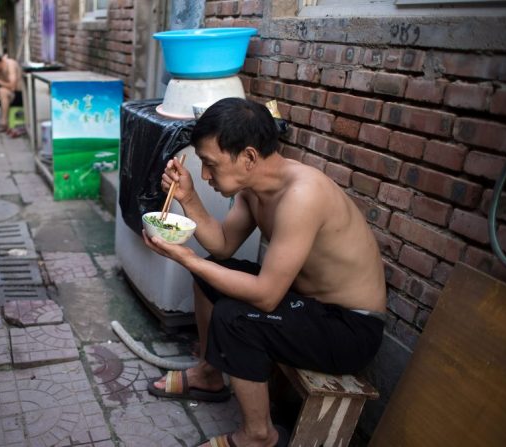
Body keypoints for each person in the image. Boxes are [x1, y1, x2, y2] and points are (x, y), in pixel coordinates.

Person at [142, 98, 387, 447]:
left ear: (249, 157)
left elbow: (266, 296)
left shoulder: (302, 195)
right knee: (212, 273)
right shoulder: (255, 191)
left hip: (349, 328)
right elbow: (224, 245)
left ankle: (259, 436)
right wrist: (189, 198)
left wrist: (186, 258)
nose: (206, 175)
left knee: (235, 317)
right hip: (307, 306)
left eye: (210, 164)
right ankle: (210, 375)